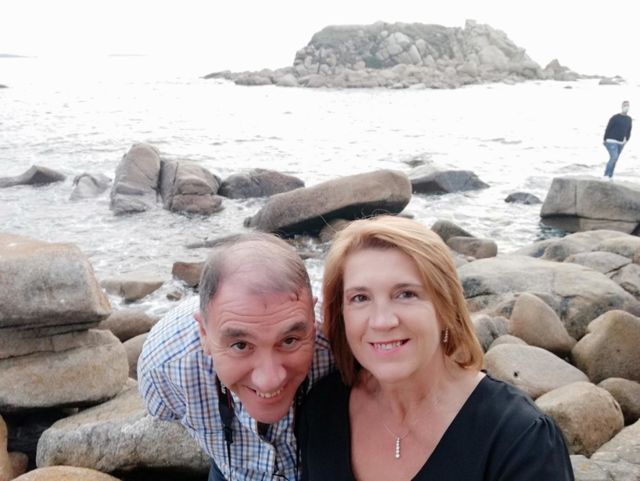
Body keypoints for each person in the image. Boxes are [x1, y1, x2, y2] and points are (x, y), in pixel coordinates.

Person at [299, 215, 575, 481]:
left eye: (406, 294)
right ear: (341, 313)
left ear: (446, 308)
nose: (382, 321)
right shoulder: (323, 409)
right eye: (360, 298)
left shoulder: (518, 438)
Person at [138, 232, 333, 481]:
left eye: (289, 340)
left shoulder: (342, 349)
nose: (269, 381)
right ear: (204, 332)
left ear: (311, 318)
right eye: (241, 345)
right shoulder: (165, 367)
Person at [603, 100, 632, 179]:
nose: (626, 107)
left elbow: (629, 130)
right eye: (625, 105)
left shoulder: (629, 119)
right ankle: (606, 175)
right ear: (622, 107)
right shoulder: (615, 117)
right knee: (614, 157)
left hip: (621, 142)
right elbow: (608, 128)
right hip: (611, 140)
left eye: (628, 105)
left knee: (615, 160)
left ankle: (610, 176)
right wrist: (604, 139)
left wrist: (627, 140)